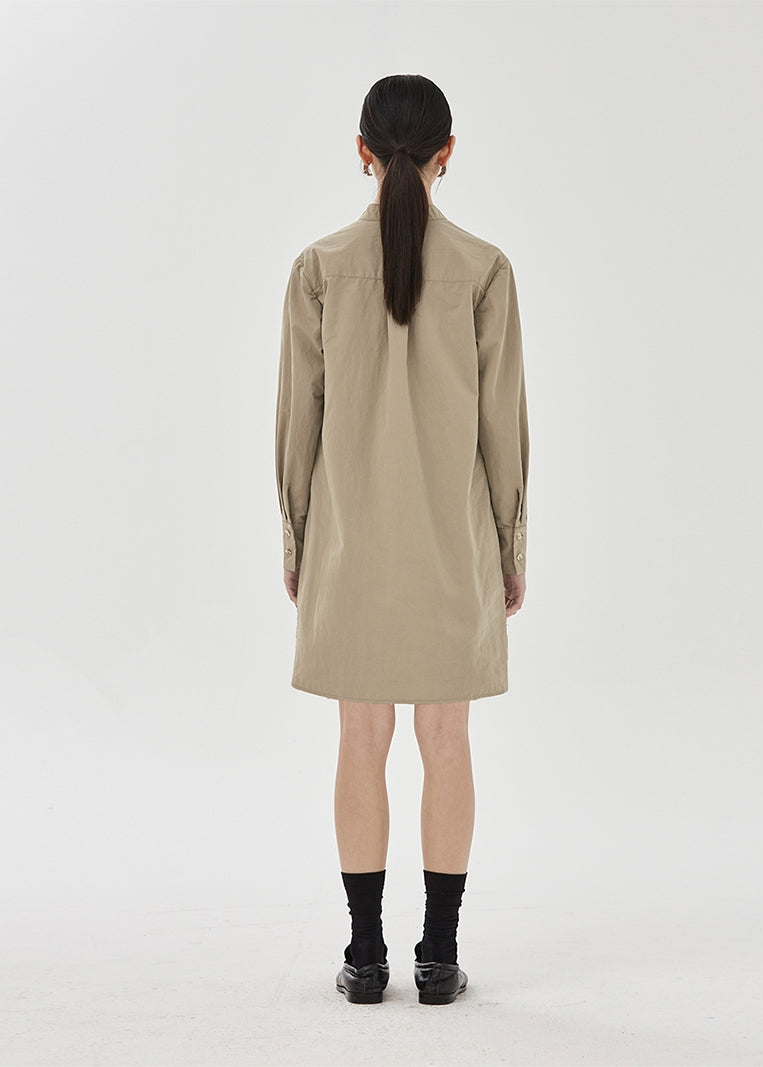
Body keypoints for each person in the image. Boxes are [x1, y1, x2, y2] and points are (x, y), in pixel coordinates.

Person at [274, 74, 529, 1005]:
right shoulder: (485, 270)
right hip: (451, 543)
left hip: (349, 542)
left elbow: (297, 419)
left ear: (362, 152)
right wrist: (509, 545)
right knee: (447, 737)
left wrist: (298, 538)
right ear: (446, 154)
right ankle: (438, 955)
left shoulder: (319, 267)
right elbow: (502, 426)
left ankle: (364, 953)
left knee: (359, 735)